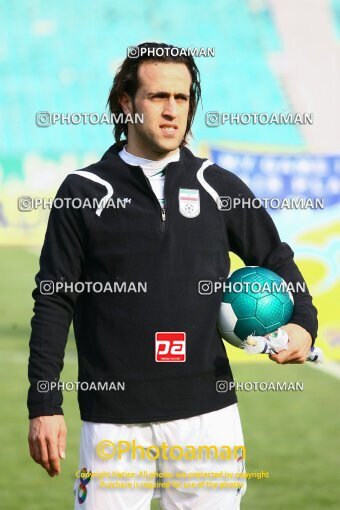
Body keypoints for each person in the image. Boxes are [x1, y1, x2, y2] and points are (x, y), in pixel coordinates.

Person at [27, 42, 318, 510]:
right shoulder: (85, 191)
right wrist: (44, 404)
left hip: (208, 417)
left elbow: (277, 258)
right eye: (158, 97)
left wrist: (303, 322)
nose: (171, 111)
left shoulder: (217, 185)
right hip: (113, 422)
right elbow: (54, 301)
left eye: (181, 99)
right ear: (127, 103)